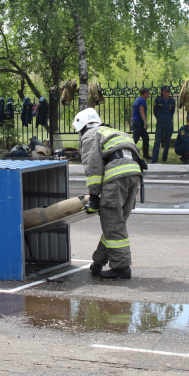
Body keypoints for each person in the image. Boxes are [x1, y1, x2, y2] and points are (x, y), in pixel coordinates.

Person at [74, 107, 142, 280]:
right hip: (134, 176)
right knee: (115, 224)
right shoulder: (114, 132)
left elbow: (93, 167)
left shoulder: (90, 135)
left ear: (82, 126)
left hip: (117, 175)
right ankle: (98, 261)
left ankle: (122, 267)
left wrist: (94, 196)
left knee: (113, 223)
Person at [151, 86, 176, 163]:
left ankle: (164, 158)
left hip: (168, 123)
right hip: (160, 123)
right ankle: (154, 159)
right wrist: (159, 118)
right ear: (162, 92)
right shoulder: (158, 100)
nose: (167, 93)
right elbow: (155, 111)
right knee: (157, 141)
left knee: (167, 141)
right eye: (165, 92)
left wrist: (167, 118)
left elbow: (172, 112)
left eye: (168, 92)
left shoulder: (172, 101)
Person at [131, 87, 151, 159]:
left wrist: (131, 121)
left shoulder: (136, 100)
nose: (148, 96)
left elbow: (132, 112)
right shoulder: (142, 101)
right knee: (134, 139)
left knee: (146, 137)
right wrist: (145, 122)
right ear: (145, 94)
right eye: (148, 94)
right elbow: (141, 111)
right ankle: (130, 154)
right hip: (139, 122)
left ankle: (146, 154)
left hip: (135, 121)